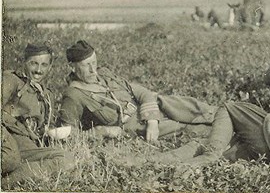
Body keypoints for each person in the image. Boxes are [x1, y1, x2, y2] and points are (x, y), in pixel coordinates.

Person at [57, 40, 218, 142]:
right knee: (196, 129)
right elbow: (67, 133)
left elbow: (143, 93)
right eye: (86, 65)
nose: (93, 70)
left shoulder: (104, 74)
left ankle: (225, 113)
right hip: (136, 126)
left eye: (94, 62)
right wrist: (101, 131)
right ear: (72, 67)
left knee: (201, 109)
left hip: (152, 109)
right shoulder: (73, 95)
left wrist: (153, 122)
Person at [1, 44, 74, 187]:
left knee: (66, 158)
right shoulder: (12, 80)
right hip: (9, 139)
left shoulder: (47, 95)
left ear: (50, 67)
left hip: (29, 147)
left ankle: (8, 181)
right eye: (33, 63)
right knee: (11, 158)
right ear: (24, 62)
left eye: (44, 65)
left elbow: (44, 127)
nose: (38, 70)